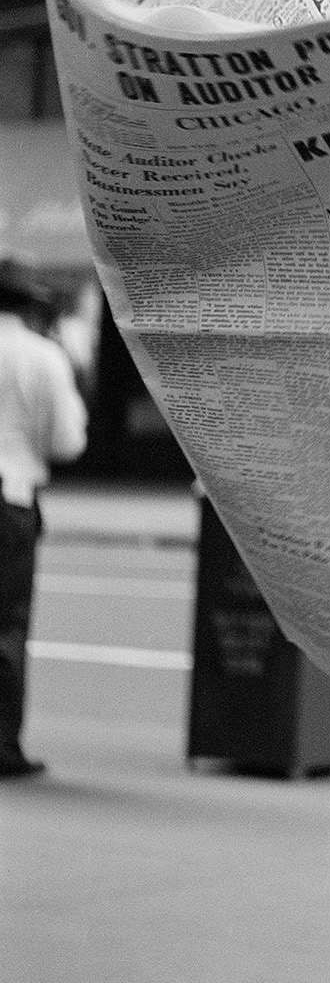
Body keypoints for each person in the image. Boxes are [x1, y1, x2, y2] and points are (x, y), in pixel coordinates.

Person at [0, 264, 88, 779]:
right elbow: (67, 442)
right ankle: (2, 747)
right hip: (8, 499)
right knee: (6, 627)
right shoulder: (41, 356)